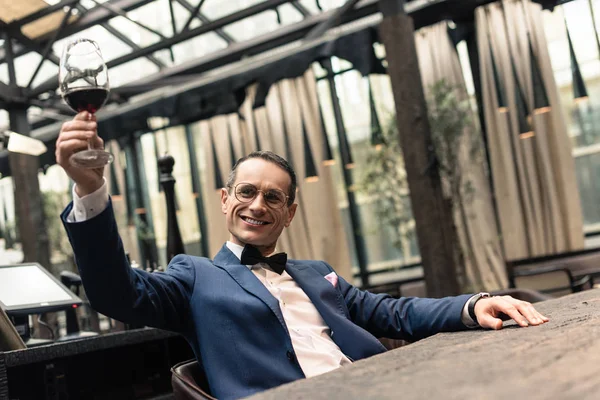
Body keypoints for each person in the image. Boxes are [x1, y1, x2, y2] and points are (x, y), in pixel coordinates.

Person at [57, 112, 548, 400]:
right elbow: (113, 291)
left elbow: (394, 312)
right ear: (225, 200)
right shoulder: (194, 276)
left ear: (289, 213)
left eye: (273, 198)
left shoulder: (318, 275)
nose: (257, 205)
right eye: (246, 192)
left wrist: (473, 304)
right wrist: (90, 191)